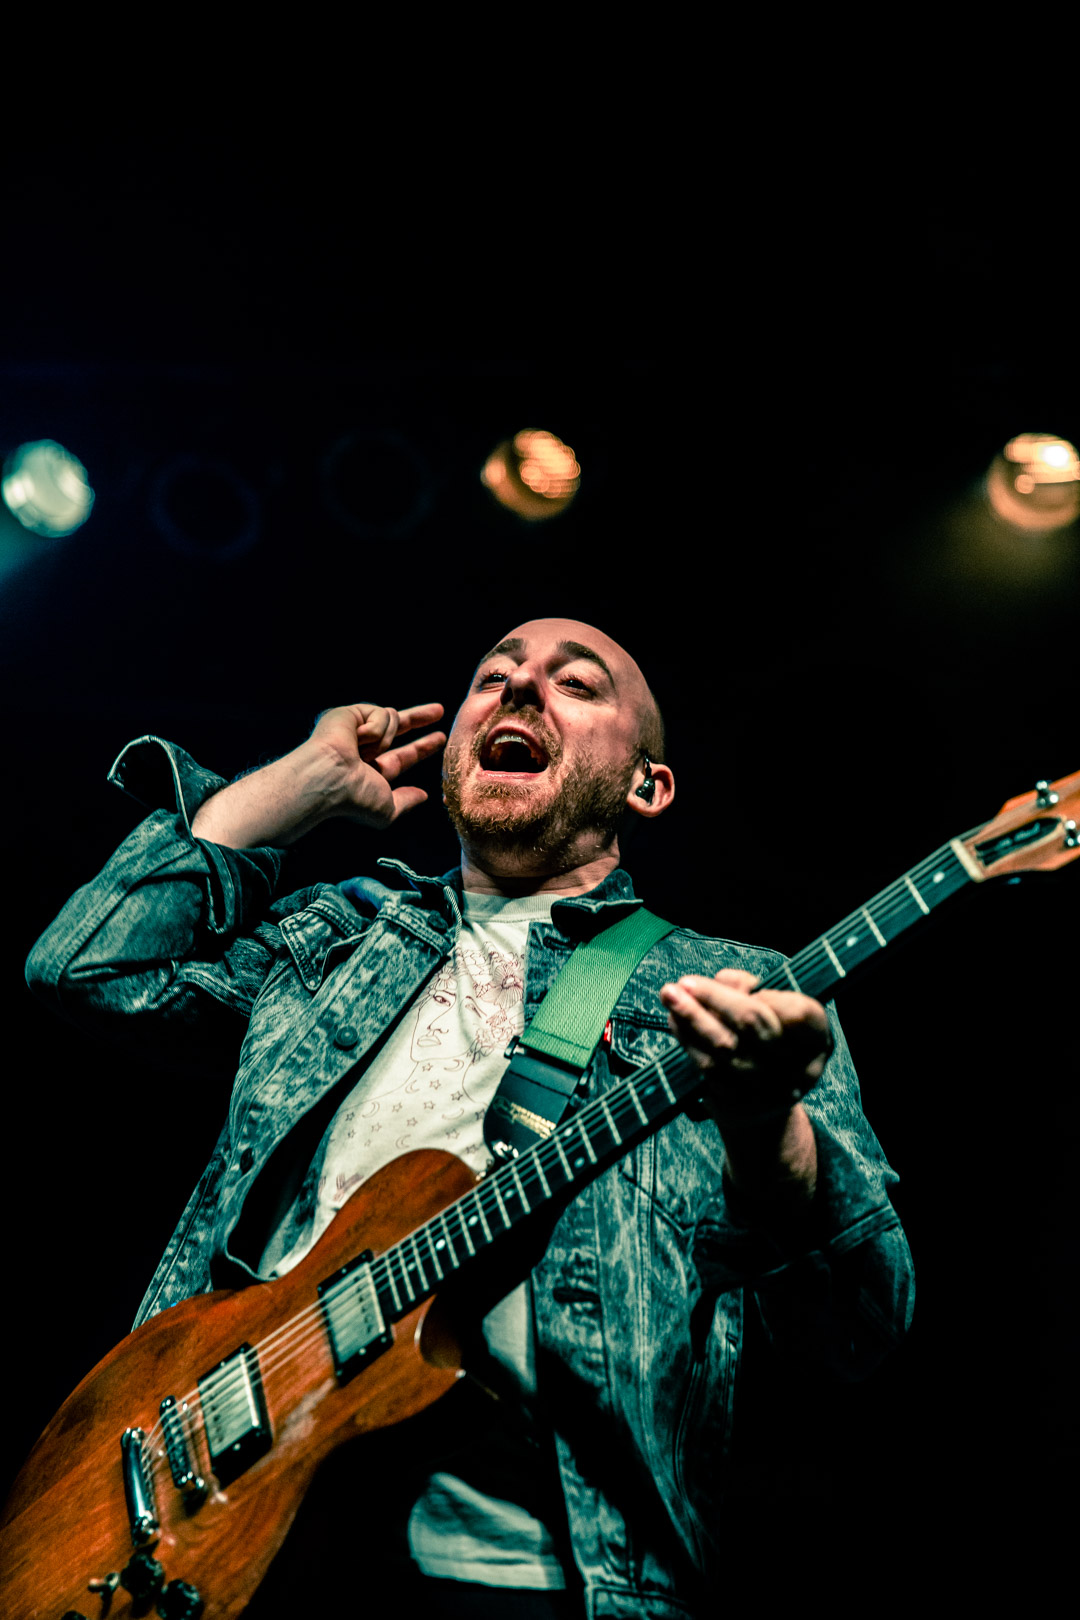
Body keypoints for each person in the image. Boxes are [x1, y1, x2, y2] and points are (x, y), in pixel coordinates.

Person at [25, 617, 914, 1618]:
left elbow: (857, 1327)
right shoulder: (340, 936)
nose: (520, 689)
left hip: (529, 1578)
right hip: (229, 1534)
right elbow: (87, 968)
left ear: (647, 785)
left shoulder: (732, 992)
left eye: (577, 684)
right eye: (494, 676)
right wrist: (297, 786)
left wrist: (766, 1128)